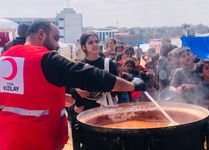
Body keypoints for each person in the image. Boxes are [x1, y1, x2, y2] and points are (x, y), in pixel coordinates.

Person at [0, 19, 145, 150]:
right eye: (55, 38)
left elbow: (27, 96)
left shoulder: (4, 59)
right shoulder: (44, 58)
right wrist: (132, 86)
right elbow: (90, 76)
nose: (57, 45)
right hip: (37, 141)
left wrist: (72, 100)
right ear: (41, 34)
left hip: (7, 141)